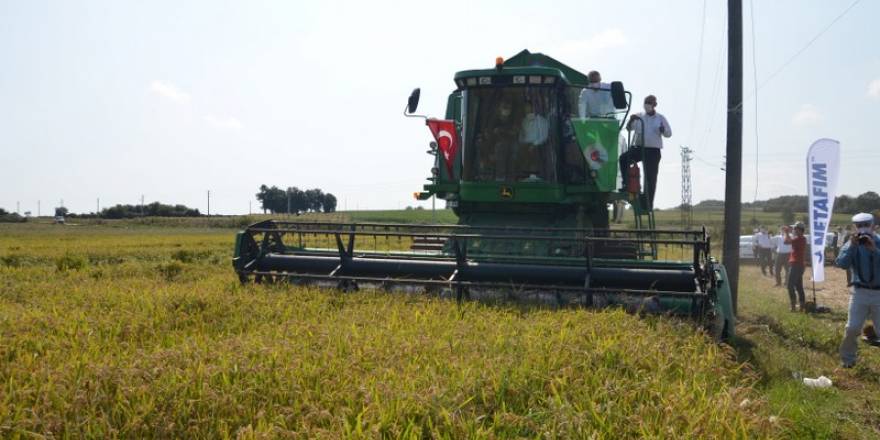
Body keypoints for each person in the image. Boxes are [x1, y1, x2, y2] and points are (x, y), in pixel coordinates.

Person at [835, 213, 880, 368]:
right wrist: (852, 247)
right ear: (854, 227)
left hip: (879, 293)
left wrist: (875, 250)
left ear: (873, 225)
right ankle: (848, 360)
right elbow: (841, 263)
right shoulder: (851, 244)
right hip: (859, 292)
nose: (863, 228)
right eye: (859, 225)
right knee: (852, 327)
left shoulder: (879, 241)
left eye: (866, 224)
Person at [620, 95, 671, 207]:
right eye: (645, 102)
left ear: (654, 105)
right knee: (624, 159)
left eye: (649, 102)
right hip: (638, 148)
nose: (646, 105)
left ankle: (647, 204)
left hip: (653, 151)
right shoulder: (639, 116)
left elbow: (669, 133)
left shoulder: (660, 118)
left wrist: (663, 130)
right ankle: (626, 184)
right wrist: (630, 120)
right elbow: (629, 128)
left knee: (650, 178)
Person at [784, 223, 808, 312]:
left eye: (795, 229)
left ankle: (793, 306)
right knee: (799, 286)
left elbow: (786, 241)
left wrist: (786, 232)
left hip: (796, 265)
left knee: (790, 286)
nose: (794, 230)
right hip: (798, 265)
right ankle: (802, 306)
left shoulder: (799, 239)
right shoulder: (801, 239)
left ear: (800, 230)